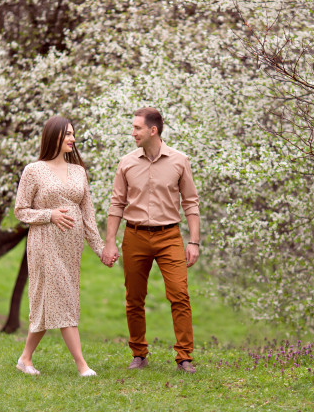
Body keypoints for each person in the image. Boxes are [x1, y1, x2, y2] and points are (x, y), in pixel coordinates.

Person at [14, 115, 117, 377]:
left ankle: (25, 358)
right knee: (64, 300)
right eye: (68, 134)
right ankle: (82, 366)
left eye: (73, 133)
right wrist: (49, 215)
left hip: (71, 248)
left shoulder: (79, 171)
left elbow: (88, 214)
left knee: (53, 301)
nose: (73, 138)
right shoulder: (34, 170)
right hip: (44, 244)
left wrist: (100, 249)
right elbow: (21, 210)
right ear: (54, 136)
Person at [102, 107, 200, 374]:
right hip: (134, 235)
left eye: (137, 128)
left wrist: (194, 242)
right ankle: (139, 354)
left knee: (179, 295)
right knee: (134, 298)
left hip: (169, 236)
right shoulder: (126, 162)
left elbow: (191, 202)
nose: (133, 133)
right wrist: (110, 242)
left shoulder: (180, 160)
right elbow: (116, 204)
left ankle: (184, 357)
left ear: (153, 130)